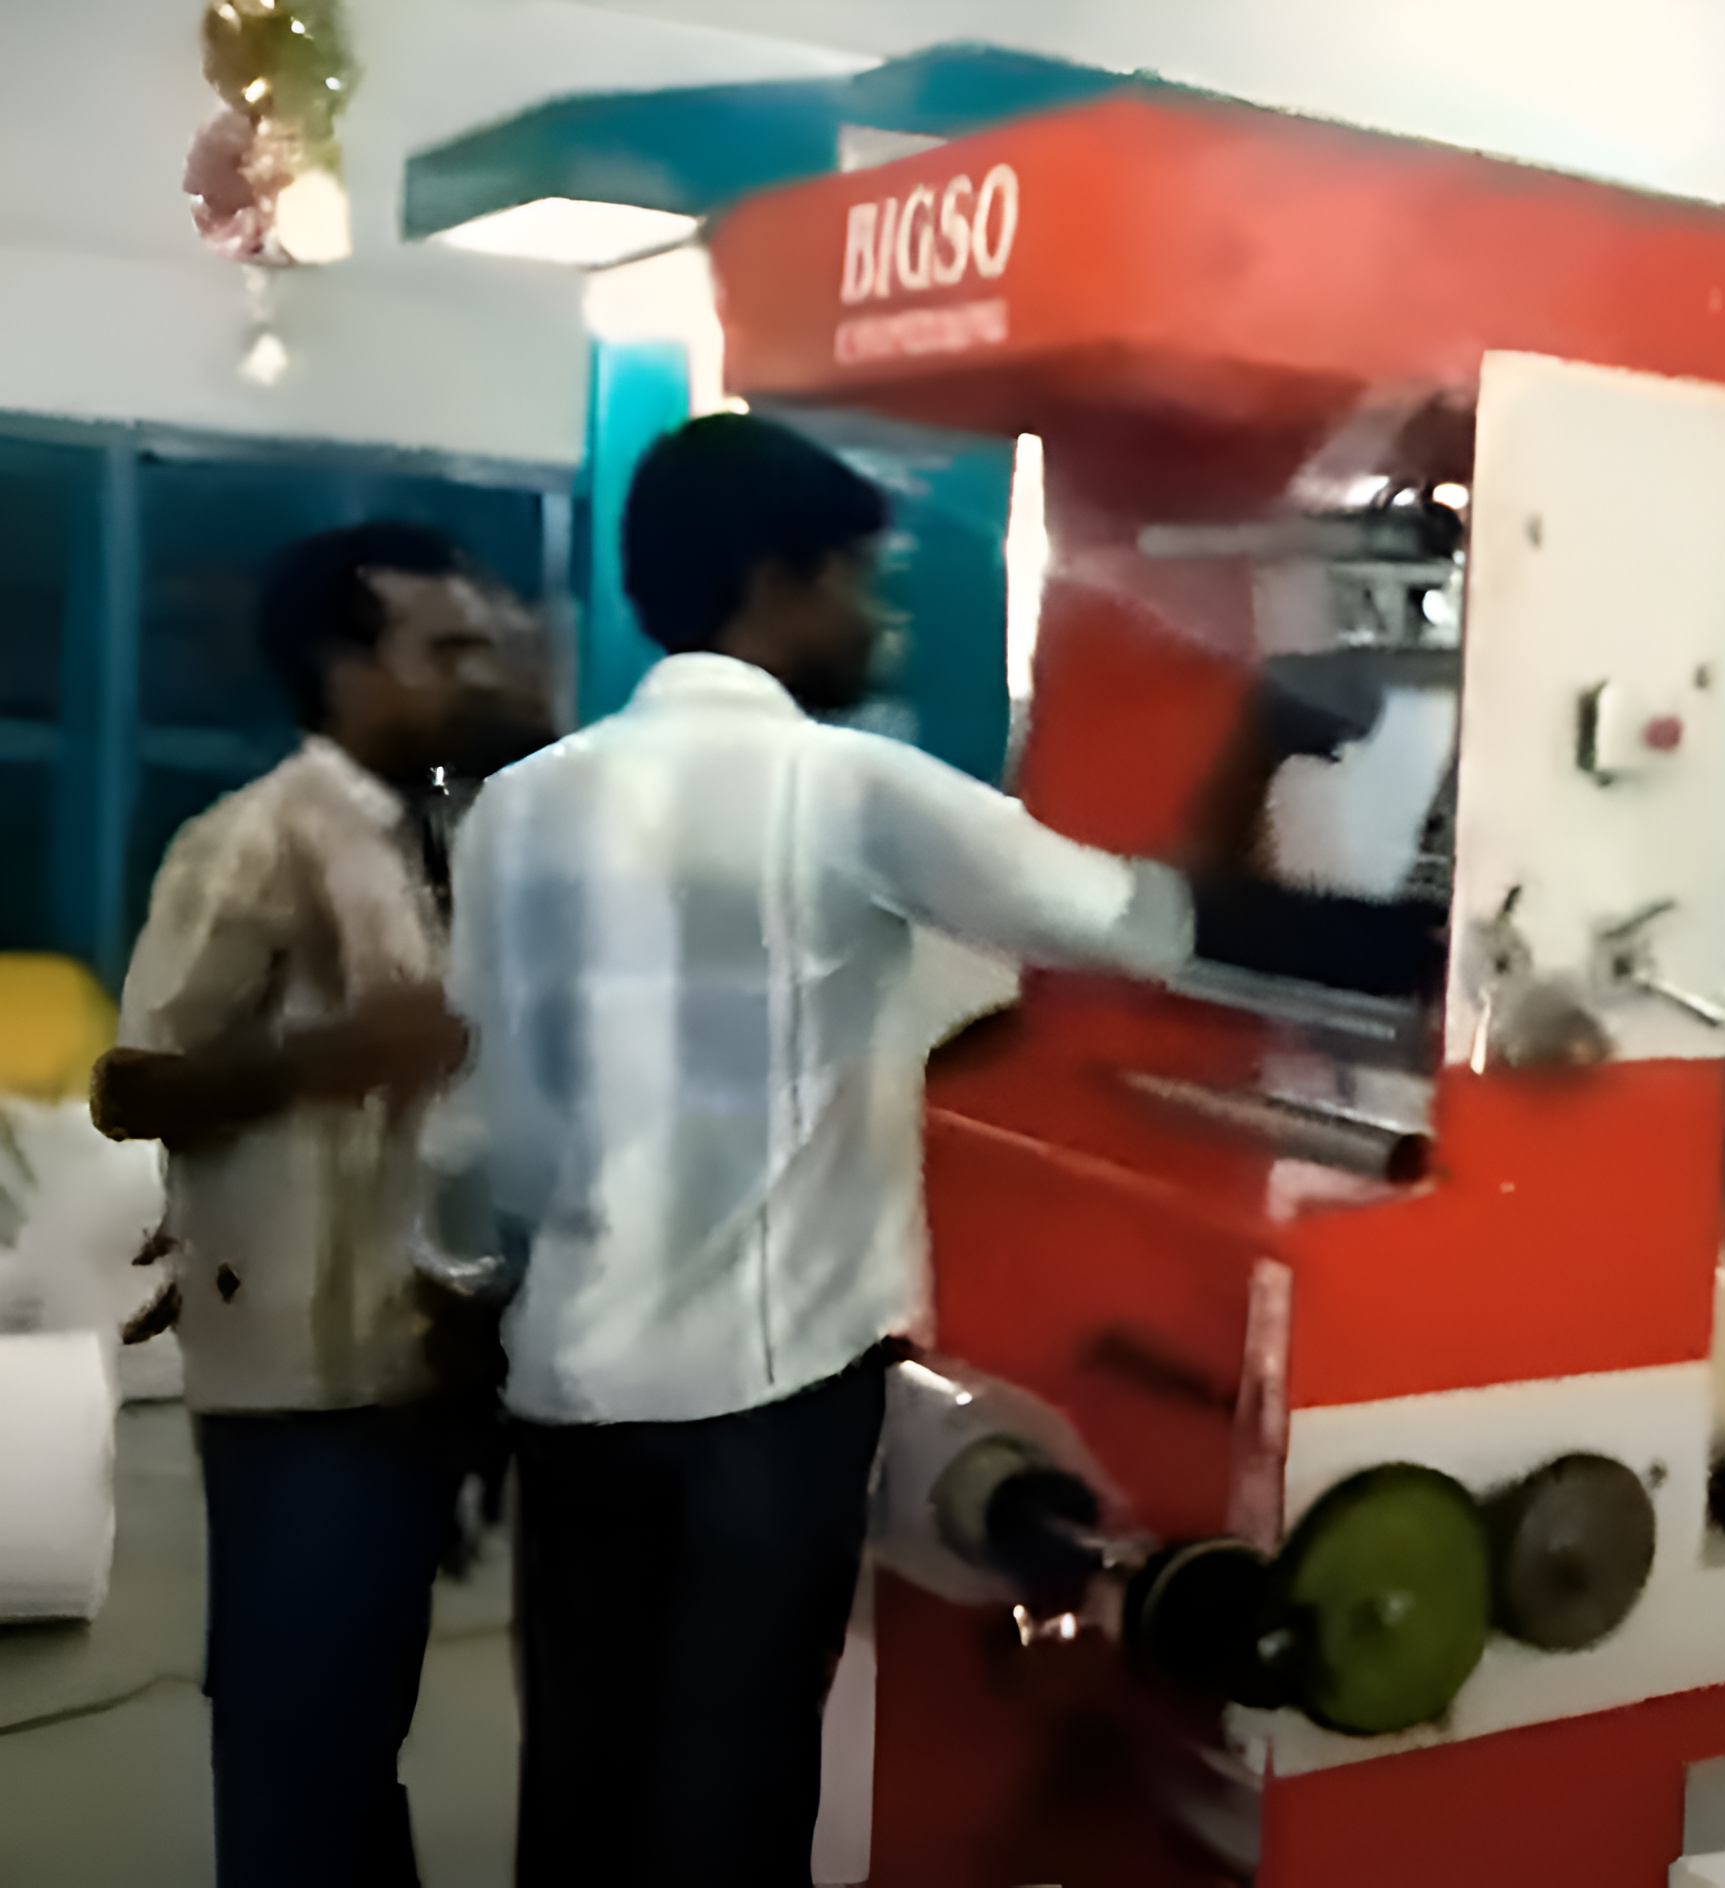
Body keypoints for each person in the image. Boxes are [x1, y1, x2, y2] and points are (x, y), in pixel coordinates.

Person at [435, 414, 1200, 1887]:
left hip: (565, 1385)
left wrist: (471, 1288)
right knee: (730, 1790)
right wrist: (1279, 809)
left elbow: (482, 1118)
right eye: (857, 580)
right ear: (775, 583)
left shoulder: (516, 809)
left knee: (583, 1774)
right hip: (768, 1403)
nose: (877, 617)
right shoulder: (848, 787)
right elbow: (1123, 920)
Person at [91, 521, 543, 1888]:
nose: (474, 676)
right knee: (297, 1745)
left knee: (355, 1736)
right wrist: (330, 1059)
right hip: (296, 1379)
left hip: (412, 1364)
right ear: (344, 668)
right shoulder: (253, 840)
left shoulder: (434, 836)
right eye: (442, 649)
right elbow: (131, 1084)